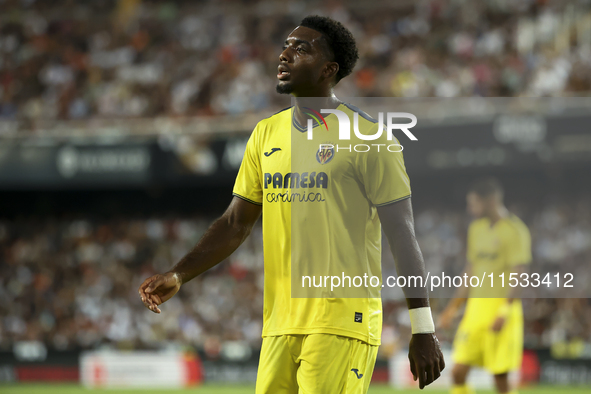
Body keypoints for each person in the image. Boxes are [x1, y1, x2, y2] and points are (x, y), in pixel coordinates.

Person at [138, 15, 444, 393]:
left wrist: (423, 328)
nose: (285, 54)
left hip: (341, 320)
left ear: (328, 70)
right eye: (286, 45)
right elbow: (236, 223)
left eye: (302, 48)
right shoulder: (266, 134)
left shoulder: (370, 139)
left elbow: (402, 233)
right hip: (280, 324)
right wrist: (180, 274)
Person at [439, 178, 532, 394]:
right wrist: (452, 309)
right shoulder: (476, 229)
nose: (470, 209)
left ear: (490, 201)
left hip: (501, 312)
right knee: (457, 372)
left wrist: (505, 310)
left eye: (474, 204)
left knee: (500, 378)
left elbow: (519, 274)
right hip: (475, 313)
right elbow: (470, 272)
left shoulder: (515, 231)